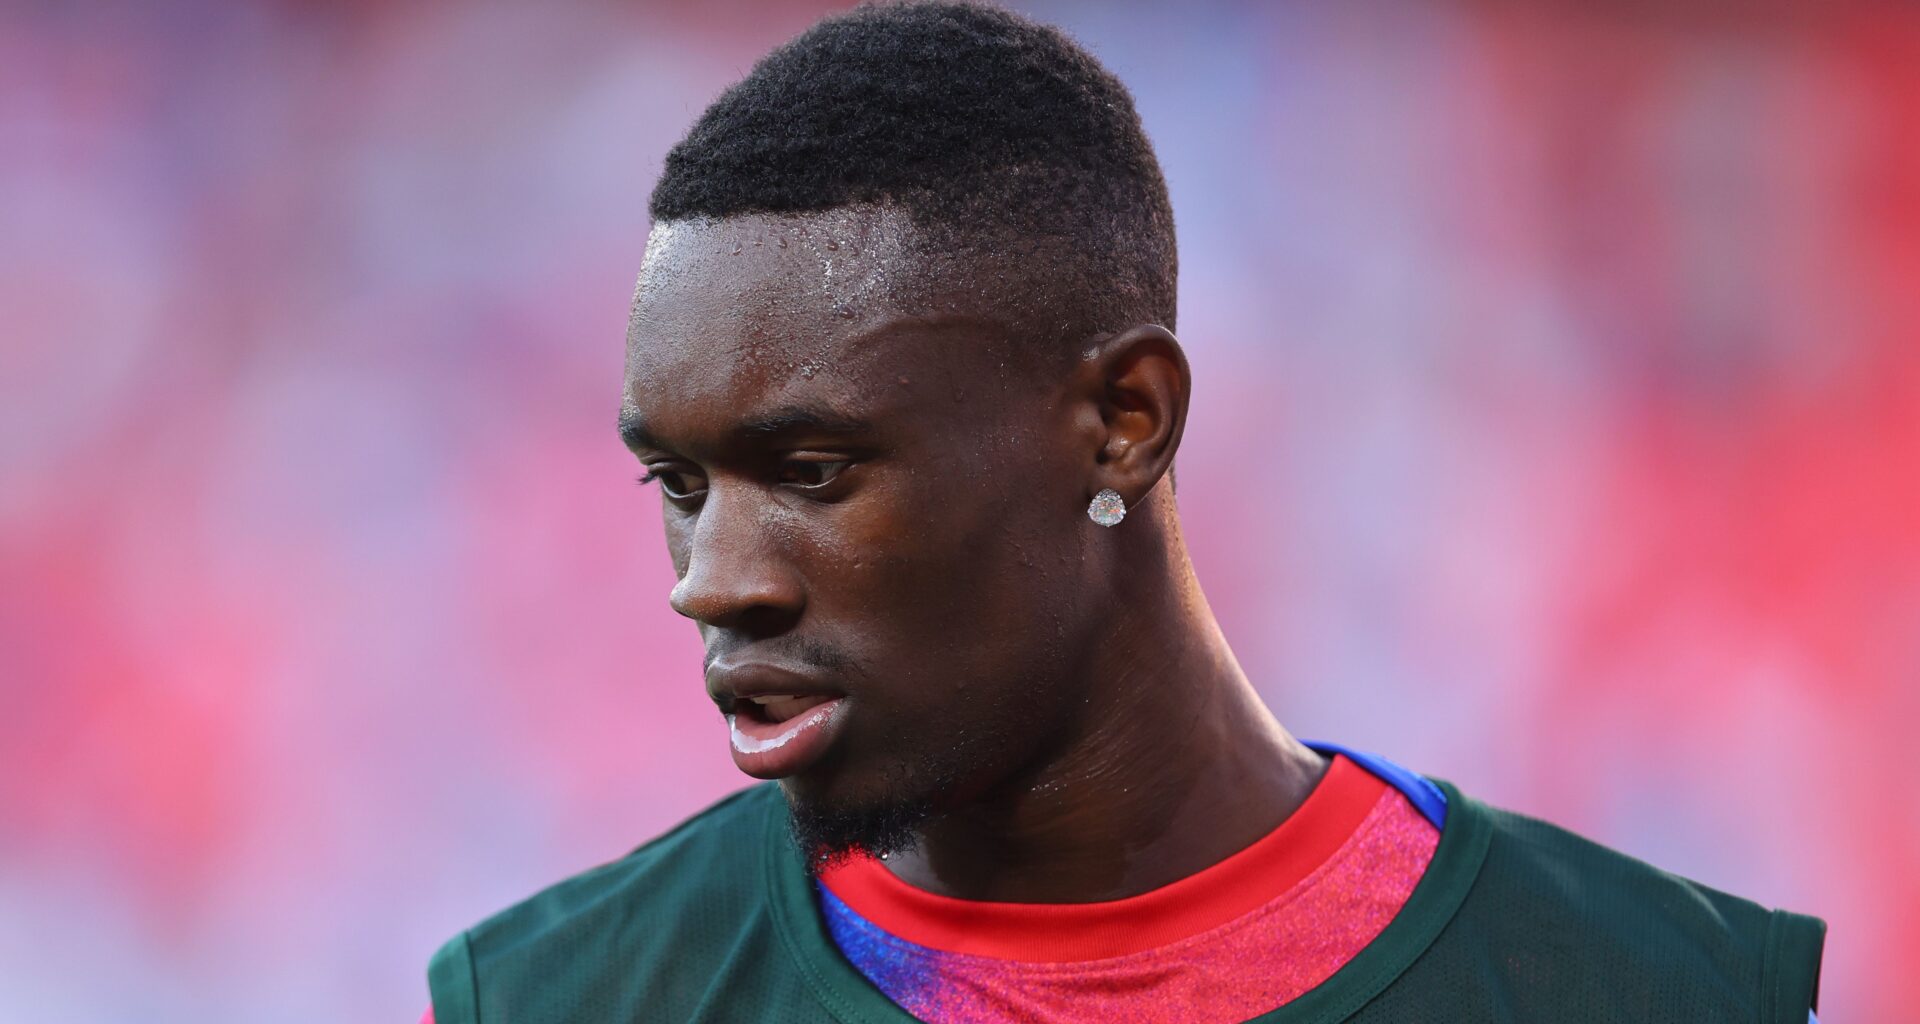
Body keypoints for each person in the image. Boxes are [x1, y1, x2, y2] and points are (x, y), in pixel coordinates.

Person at [423, 3, 1825, 1021]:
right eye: (679, 486)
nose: (712, 580)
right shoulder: (557, 999)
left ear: (1125, 423)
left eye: (814, 471)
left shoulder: (1651, 991)